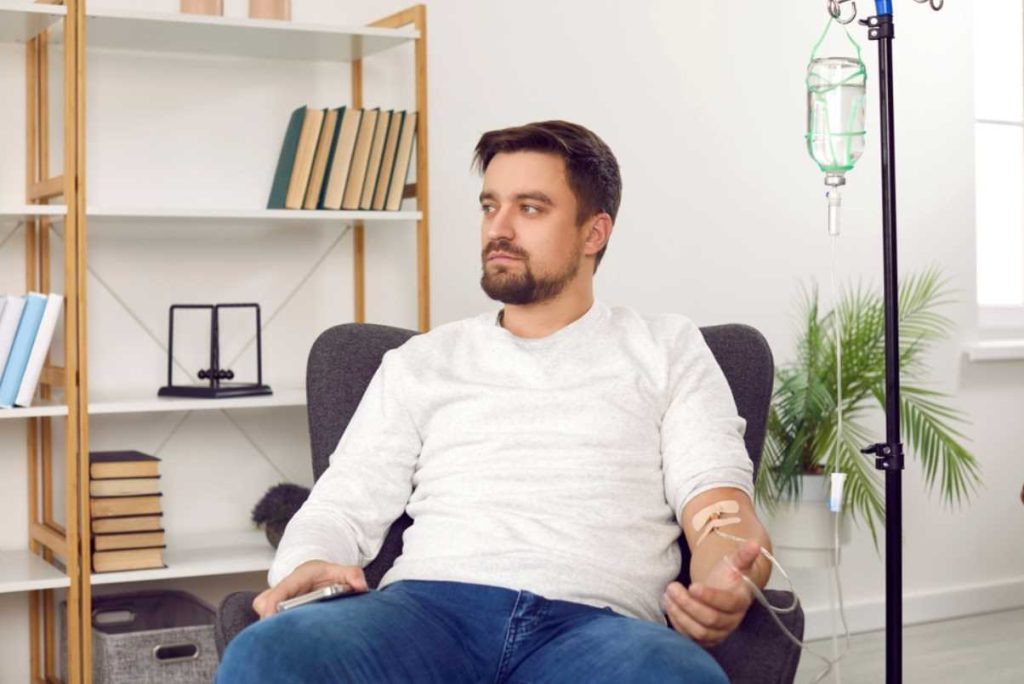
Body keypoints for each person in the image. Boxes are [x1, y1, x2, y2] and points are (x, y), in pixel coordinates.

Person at [217, 120, 774, 683]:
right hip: (426, 614)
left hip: (598, 631)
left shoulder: (668, 349)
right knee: (268, 653)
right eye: (490, 206)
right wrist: (308, 562)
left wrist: (726, 577)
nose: (498, 229)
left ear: (594, 232)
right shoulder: (422, 362)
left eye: (530, 208)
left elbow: (720, 507)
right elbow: (342, 504)